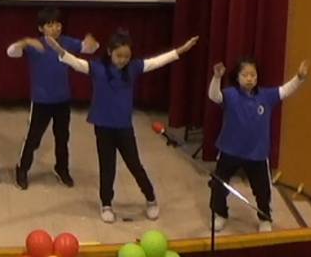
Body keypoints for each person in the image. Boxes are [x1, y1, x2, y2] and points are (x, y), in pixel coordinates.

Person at [50, 30, 201, 222]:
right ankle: (106, 204)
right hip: (103, 127)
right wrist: (60, 51)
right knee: (107, 167)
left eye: (126, 56)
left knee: (135, 164)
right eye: (119, 55)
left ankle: (151, 199)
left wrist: (181, 50)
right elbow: (77, 63)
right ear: (109, 52)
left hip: (124, 128)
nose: (122, 60)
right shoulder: (98, 68)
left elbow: (157, 61)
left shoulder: (134, 68)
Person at [206, 56, 310, 231]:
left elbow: (285, 90)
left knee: (262, 190)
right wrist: (216, 77)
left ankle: (264, 218)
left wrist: (299, 77)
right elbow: (214, 96)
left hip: (257, 153)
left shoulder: (266, 96)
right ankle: (220, 214)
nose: (249, 78)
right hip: (229, 150)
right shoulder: (230, 94)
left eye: (253, 75)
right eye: (245, 75)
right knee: (219, 185)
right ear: (237, 77)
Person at [5, 7, 99, 189]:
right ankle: (22, 169)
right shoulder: (35, 45)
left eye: (57, 24)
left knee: (62, 138)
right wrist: (25, 42)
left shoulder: (67, 42)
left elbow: (89, 48)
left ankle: (61, 169)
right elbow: (11, 52)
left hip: (62, 100)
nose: (55, 28)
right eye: (50, 25)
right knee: (33, 138)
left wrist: (92, 43)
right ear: (41, 28)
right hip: (41, 101)